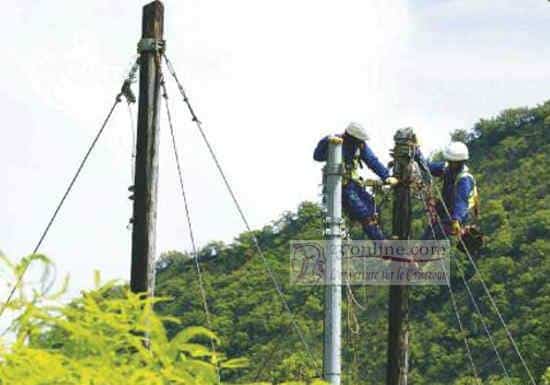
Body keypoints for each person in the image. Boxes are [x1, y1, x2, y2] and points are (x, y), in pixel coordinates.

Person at [313, 122, 398, 240]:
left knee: (373, 208)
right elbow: (317, 156)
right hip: (340, 187)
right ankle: (382, 244)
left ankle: (383, 240)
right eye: (358, 140)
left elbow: (372, 161)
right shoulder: (335, 142)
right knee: (364, 213)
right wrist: (326, 142)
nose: (361, 142)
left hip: (353, 184)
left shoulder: (360, 146)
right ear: (351, 137)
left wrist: (386, 176)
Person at [423, 141, 480, 240]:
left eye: (453, 162)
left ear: (461, 162)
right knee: (428, 236)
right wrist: (416, 154)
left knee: (431, 238)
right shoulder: (447, 168)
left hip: (458, 217)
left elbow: (461, 202)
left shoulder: (464, 179)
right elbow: (427, 167)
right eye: (449, 161)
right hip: (446, 212)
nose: (450, 164)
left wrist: (456, 219)